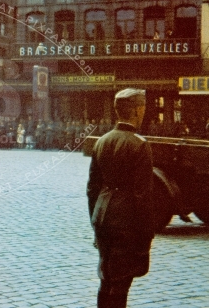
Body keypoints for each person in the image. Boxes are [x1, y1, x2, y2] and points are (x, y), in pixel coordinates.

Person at [87, 88, 155, 308]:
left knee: (105, 277)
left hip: (102, 216)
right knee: (121, 281)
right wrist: (146, 234)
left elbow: (92, 189)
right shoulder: (139, 144)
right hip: (125, 221)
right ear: (137, 110)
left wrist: (95, 221)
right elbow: (142, 196)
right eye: (142, 107)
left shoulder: (102, 141)